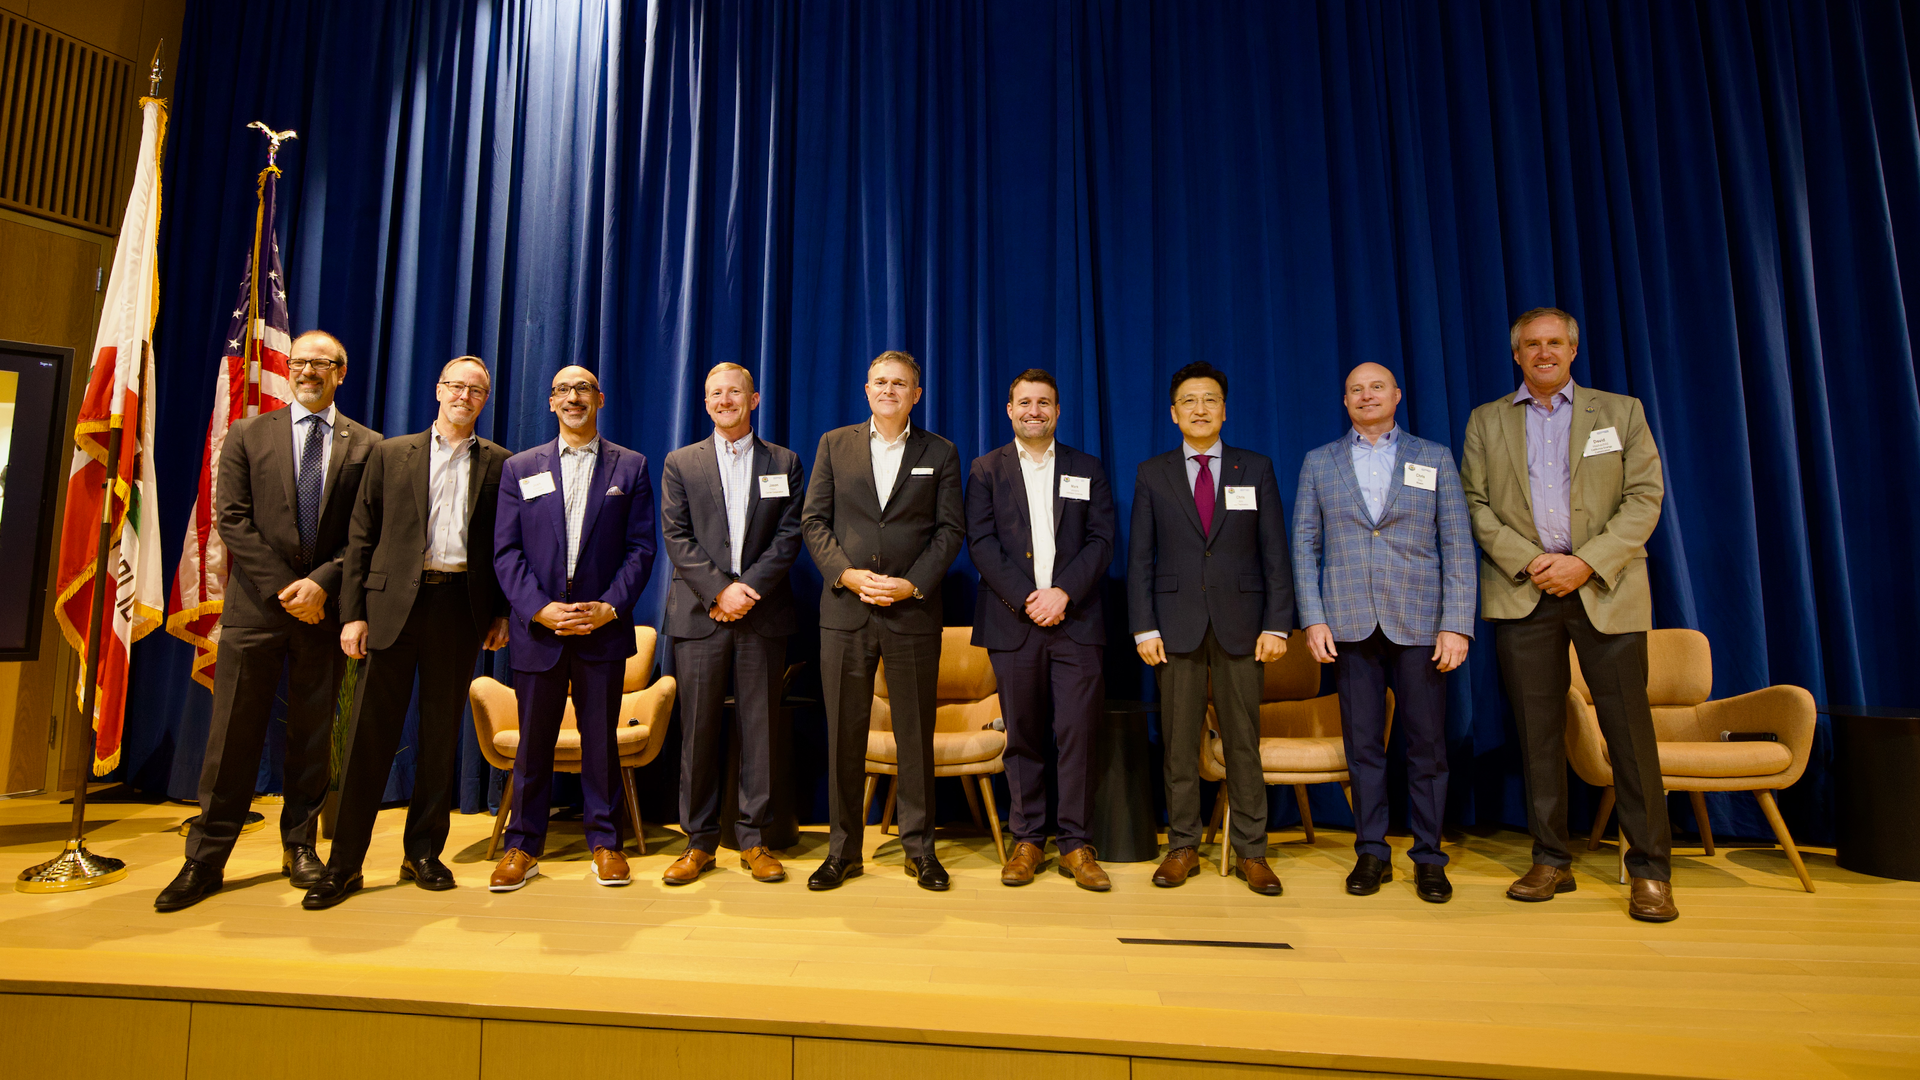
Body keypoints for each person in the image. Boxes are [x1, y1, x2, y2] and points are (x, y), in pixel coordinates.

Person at [1459, 307, 1675, 922]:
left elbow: (1644, 498)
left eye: (1555, 342)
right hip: (1524, 590)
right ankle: (1551, 858)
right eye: (1532, 344)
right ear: (1517, 354)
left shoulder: (1621, 413)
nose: (1544, 352)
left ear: (1572, 350)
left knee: (1629, 735)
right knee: (1538, 734)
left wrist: (1586, 562)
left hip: (1606, 589)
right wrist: (1532, 563)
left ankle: (1650, 871)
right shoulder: (1486, 421)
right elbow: (1476, 505)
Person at [156, 330, 382, 912]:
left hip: (323, 613)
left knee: (310, 736)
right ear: (290, 369)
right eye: (301, 361)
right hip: (257, 611)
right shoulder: (248, 433)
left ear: (341, 371)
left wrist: (322, 586)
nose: (309, 370)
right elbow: (231, 518)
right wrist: (287, 588)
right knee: (231, 736)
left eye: (322, 363)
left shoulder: (368, 446)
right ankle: (206, 859)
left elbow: (366, 535)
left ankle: (300, 846)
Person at [301, 356, 512, 909]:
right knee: (367, 737)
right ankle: (345, 864)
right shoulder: (391, 453)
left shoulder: (501, 464)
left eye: (476, 390)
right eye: (455, 386)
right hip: (390, 609)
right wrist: (352, 614)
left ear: (484, 400)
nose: (464, 396)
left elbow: (503, 550)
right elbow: (360, 535)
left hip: (458, 609)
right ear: (438, 390)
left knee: (441, 738)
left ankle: (423, 852)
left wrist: (501, 612)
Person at [1292, 362, 1474, 905]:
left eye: (1376, 387)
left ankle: (1428, 857)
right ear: (1344, 401)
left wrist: (1456, 624)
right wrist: (1314, 617)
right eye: (1355, 389)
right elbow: (1304, 545)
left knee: (1426, 748)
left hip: (1420, 622)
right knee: (1363, 748)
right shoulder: (1320, 462)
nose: (1366, 396)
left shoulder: (1434, 457)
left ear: (1396, 395)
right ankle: (1371, 850)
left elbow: (1458, 547)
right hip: (1348, 624)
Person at [1126, 361, 1293, 896]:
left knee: (1244, 742)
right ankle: (1182, 846)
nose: (1201, 409)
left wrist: (1278, 625)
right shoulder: (1152, 473)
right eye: (1190, 402)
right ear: (1174, 415)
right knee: (1178, 743)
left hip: (1244, 628)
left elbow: (1275, 555)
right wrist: (1143, 628)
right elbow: (1140, 562)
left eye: (1211, 400)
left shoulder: (1256, 468)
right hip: (1173, 630)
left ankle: (1252, 851)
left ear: (1225, 410)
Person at [800, 350, 964, 891]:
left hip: (912, 611)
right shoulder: (833, 444)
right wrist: (846, 575)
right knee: (844, 735)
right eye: (880, 382)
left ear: (917, 394)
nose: (889, 390)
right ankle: (843, 851)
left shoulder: (940, 452)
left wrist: (912, 583)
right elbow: (814, 521)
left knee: (914, 734)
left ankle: (920, 850)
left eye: (901, 383)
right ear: (866, 390)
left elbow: (949, 531)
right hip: (846, 611)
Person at [488, 366, 656, 892]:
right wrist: (538, 609)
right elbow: (505, 552)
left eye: (583, 388)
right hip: (538, 631)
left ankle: (605, 843)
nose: (573, 397)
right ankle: (522, 847)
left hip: (601, 631)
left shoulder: (631, 466)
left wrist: (609, 607)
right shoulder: (520, 468)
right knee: (533, 743)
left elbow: (641, 549)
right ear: (551, 403)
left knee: (600, 742)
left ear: (599, 399)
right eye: (562, 389)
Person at [965, 369, 1117, 890]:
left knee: (1078, 734)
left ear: (1058, 410)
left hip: (1076, 622)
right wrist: (1029, 599)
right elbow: (981, 543)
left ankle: (1076, 844)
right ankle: (1027, 840)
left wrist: (1063, 594)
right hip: (1013, 624)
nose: (1034, 410)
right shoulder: (986, 470)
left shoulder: (1086, 468)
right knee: (1023, 737)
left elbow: (1101, 540)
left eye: (1044, 402)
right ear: (1009, 410)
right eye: (1024, 402)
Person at [657, 363, 805, 886]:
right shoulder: (680, 462)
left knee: (759, 730)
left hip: (762, 616)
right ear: (705, 403)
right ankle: (697, 842)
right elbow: (676, 535)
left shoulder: (784, 462)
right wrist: (720, 590)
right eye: (715, 393)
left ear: (754, 399)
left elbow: (790, 536)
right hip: (700, 615)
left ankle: (754, 838)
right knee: (696, 731)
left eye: (734, 392)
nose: (725, 400)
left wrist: (746, 591)